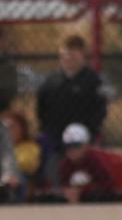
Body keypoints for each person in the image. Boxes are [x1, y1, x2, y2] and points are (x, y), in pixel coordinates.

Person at [35, 33, 107, 181]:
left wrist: (90, 134)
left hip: (84, 141)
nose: (68, 59)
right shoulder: (51, 81)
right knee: (53, 168)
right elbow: (41, 109)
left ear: (82, 55)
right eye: (64, 56)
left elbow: (100, 110)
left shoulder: (93, 81)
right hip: (57, 139)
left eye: (72, 55)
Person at [48, 124, 115, 203]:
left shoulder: (94, 161)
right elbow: (63, 184)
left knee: (96, 196)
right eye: (68, 147)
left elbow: (107, 184)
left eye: (76, 146)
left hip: (92, 198)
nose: (72, 150)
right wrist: (67, 191)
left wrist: (83, 191)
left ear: (86, 146)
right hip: (73, 197)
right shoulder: (65, 165)